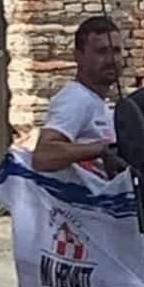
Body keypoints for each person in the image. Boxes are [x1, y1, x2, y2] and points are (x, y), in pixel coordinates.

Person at [32, 16, 124, 175]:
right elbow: (43, 155)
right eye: (101, 51)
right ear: (78, 56)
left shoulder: (97, 103)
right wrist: (102, 149)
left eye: (116, 51)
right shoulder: (76, 98)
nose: (111, 60)